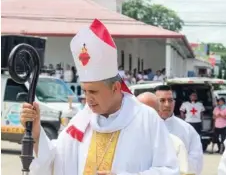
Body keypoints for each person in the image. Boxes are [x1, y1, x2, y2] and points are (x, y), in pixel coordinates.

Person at [20, 19, 179, 175]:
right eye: (85, 91)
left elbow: (169, 170)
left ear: (115, 87)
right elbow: (55, 162)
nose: (88, 99)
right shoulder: (81, 121)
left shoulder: (146, 119)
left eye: (94, 92)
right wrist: (36, 132)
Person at [154, 85, 203, 175]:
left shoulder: (187, 129)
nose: (167, 104)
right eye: (162, 100)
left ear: (174, 102)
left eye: (170, 100)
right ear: (154, 103)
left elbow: (196, 159)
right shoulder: (146, 127)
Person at [137, 92, 189, 174]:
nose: (143, 116)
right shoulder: (122, 140)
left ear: (158, 113)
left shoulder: (175, 144)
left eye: (149, 112)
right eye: (138, 111)